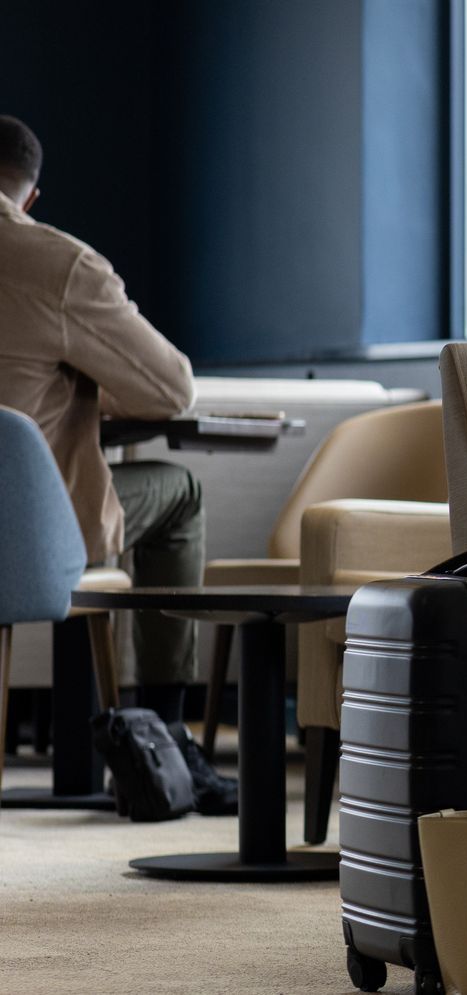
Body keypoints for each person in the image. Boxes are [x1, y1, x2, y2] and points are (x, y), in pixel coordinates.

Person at [0, 114, 235, 814]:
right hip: (23, 539)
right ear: (31, 197)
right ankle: (161, 733)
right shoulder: (58, 264)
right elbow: (171, 389)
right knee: (181, 493)